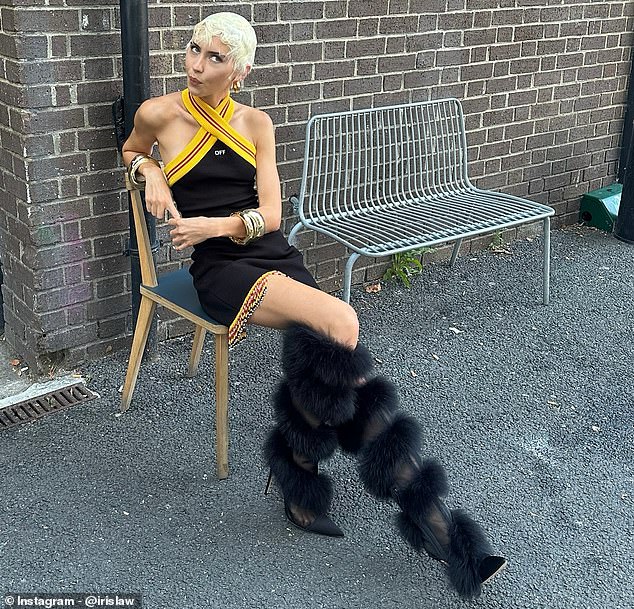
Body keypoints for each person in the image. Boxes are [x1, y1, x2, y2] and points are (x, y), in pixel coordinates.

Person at [121, 11, 507, 599]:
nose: (197, 66)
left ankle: (299, 479)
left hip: (265, 249)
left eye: (215, 58)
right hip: (218, 270)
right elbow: (130, 146)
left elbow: (272, 216)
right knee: (340, 324)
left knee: (329, 347)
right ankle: (438, 526)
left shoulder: (256, 123)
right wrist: (147, 167)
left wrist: (208, 224)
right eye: (194, 50)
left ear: (241, 71)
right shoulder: (160, 112)